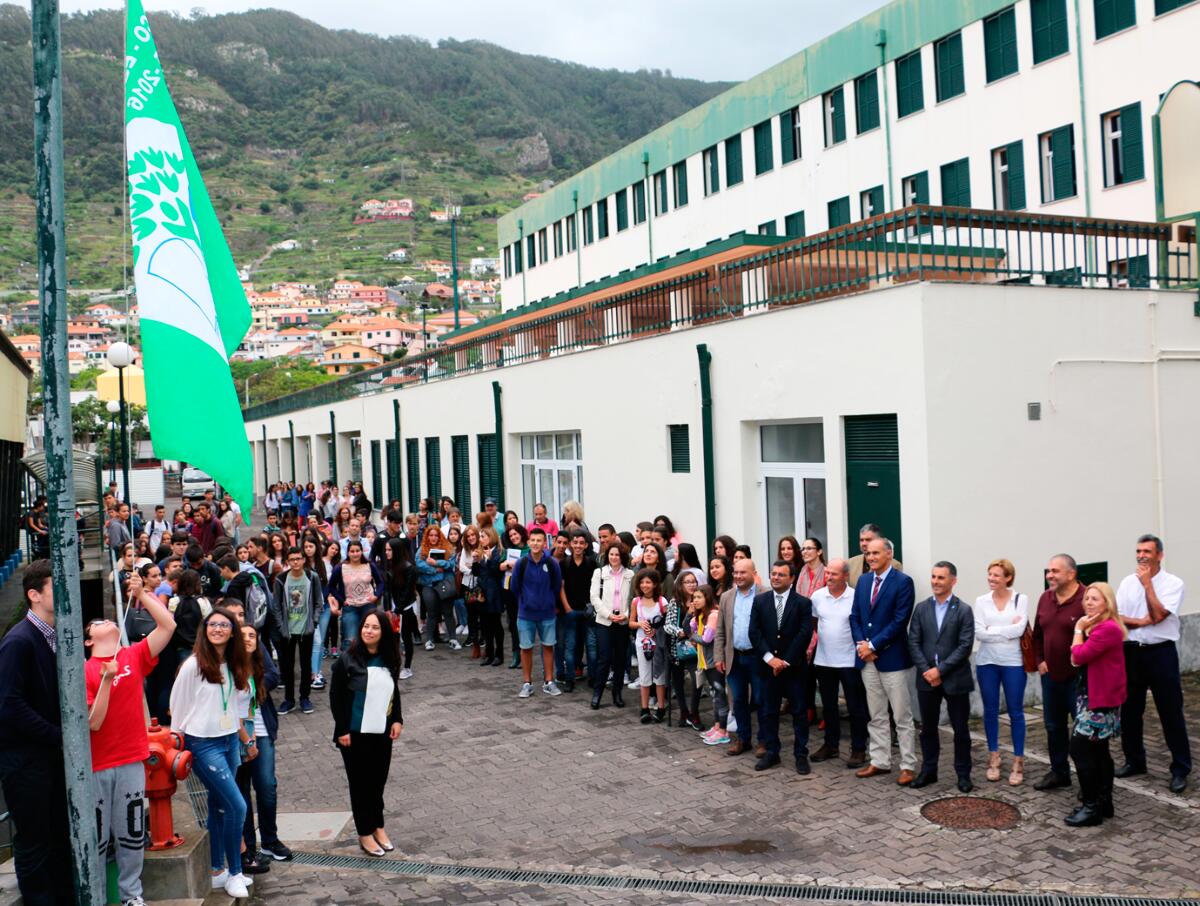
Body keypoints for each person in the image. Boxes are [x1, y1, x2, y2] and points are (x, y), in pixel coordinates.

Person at [86, 571, 176, 906]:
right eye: (97, 622)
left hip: (131, 759)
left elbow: (168, 626)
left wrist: (144, 594)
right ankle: (95, 896)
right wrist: (107, 681)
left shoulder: (132, 655)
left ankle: (131, 896)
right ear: (88, 640)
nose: (106, 620)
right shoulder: (83, 670)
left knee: (132, 833)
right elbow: (93, 723)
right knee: (96, 839)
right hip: (97, 765)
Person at [0, 561, 77, 905]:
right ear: (34, 595)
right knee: (34, 840)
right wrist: (57, 735)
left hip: (49, 755)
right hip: (25, 759)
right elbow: (9, 704)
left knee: (59, 833)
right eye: (54, 587)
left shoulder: (55, 635)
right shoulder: (19, 641)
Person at [169, 607, 254, 898]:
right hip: (203, 743)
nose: (217, 628)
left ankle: (217, 869)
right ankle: (235, 872)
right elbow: (177, 707)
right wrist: (177, 740)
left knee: (219, 805)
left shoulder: (234, 662)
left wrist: (244, 738)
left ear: (232, 631)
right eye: (212, 624)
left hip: (230, 739)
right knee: (237, 806)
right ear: (205, 629)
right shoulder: (192, 665)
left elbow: (238, 702)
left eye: (224, 625)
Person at [1114, 534, 1191, 794]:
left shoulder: (1173, 583)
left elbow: (1159, 615)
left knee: (1170, 712)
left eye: (1147, 551)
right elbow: (1118, 617)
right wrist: (1143, 621)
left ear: (1160, 555)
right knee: (1130, 712)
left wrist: (1148, 585)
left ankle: (1180, 768)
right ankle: (1134, 761)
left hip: (1161, 653)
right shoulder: (1126, 582)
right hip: (1131, 651)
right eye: (1138, 551)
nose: (1141, 556)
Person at [330, 609, 404, 857]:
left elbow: (394, 691)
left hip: (381, 732)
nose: (368, 631)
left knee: (377, 782)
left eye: (374, 627)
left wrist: (397, 719)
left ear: (383, 632)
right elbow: (336, 696)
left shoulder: (390, 658)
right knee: (360, 784)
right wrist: (342, 729)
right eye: (365, 627)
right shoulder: (347, 660)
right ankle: (364, 833)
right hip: (353, 733)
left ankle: (378, 826)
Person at [850, 537, 917, 785]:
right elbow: (854, 616)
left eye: (876, 553)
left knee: (901, 716)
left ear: (889, 554)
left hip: (892, 659)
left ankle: (908, 765)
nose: (871, 558)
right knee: (876, 714)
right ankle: (880, 761)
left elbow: (900, 621)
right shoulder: (864, 581)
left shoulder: (903, 582)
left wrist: (874, 645)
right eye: (868, 554)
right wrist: (861, 645)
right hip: (867, 660)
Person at [907, 561, 975, 792]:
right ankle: (929, 771)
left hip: (955, 679)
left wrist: (940, 670)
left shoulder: (964, 610)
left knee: (961, 730)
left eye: (941, 578)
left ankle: (963, 774)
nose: (935, 581)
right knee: (927, 728)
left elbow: (965, 646)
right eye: (934, 577)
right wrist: (928, 670)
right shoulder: (922, 608)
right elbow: (913, 641)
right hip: (926, 679)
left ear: (953, 581)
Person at [1066, 583, 1128, 826]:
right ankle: (1103, 802)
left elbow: (1077, 656)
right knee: (1098, 750)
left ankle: (1091, 806)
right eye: (1087, 598)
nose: (1088, 603)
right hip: (1092, 697)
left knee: (1080, 749)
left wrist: (1078, 628)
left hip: (1100, 701)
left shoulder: (1106, 629)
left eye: (1095, 599)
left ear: (1107, 603)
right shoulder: (1099, 627)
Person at [747, 560, 814, 774]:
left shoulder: (803, 603)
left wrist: (785, 661)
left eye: (781, 574)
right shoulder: (760, 601)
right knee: (768, 711)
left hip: (794, 668)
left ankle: (801, 755)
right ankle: (771, 752)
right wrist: (770, 659)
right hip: (767, 667)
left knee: (799, 712)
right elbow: (754, 632)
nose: (775, 577)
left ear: (792, 578)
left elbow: (804, 634)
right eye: (773, 573)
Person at [235, 620, 292, 869]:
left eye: (252, 635)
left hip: (262, 730)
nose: (248, 638)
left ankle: (270, 839)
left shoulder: (260, 663)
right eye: (243, 635)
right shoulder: (226, 666)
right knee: (242, 791)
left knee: (267, 786)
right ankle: (249, 846)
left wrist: (255, 685)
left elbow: (273, 676)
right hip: (235, 735)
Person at [1032, 553, 1086, 791]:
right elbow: (1037, 635)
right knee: (1053, 727)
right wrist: (1040, 660)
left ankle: (1088, 779)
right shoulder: (1045, 598)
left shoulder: (1087, 598)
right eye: (1048, 571)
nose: (1049, 575)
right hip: (1051, 678)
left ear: (1071, 574)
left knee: (1082, 732)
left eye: (1055, 571)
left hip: (1079, 680)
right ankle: (1059, 772)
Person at [974, 558, 1029, 785]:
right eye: (990, 574)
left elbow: (1020, 628)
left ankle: (1018, 760)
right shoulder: (981, 601)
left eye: (996, 575)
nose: (991, 579)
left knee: (1016, 711)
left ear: (1008, 578)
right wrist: (1006, 630)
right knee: (990, 710)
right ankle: (993, 756)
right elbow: (979, 633)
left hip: (1013, 662)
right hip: (987, 662)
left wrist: (993, 629)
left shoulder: (1020, 599)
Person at [810, 558, 868, 767]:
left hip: (849, 661)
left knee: (855, 707)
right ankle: (830, 745)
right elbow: (815, 622)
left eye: (834, 574)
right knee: (828, 706)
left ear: (845, 576)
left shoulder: (855, 597)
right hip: (824, 660)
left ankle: (859, 749)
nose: (829, 577)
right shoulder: (817, 597)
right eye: (827, 573)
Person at [714, 558, 768, 757]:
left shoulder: (766, 594)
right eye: (735, 573)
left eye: (742, 573)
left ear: (754, 573)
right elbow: (720, 630)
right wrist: (719, 656)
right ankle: (743, 739)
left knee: (762, 699)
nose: (738, 576)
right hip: (734, 657)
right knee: (738, 700)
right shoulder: (727, 597)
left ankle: (764, 741)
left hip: (758, 657)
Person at [269, 546, 322, 716]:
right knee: (287, 665)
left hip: (306, 628)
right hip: (287, 629)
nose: (296, 562)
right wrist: (280, 625)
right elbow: (276, 604)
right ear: (287, 562)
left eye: (298, 558)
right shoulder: (281, 579)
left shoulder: (312, 577)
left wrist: (313, 622)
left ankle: (305, 697)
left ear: (303, 559)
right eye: (292, 559)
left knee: (306, 665)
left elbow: (318, 602)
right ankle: (289, 699)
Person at [511, 526, 563, 698]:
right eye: (532, 540)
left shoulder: (551, 563)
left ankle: (549, 681)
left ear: (544, 543)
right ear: (528, 542)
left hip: (547, 613)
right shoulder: (521, 563)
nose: (535, 543)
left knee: (548, 646)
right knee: (526, 648)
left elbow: (556, 586)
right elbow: (515, 587)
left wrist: (548, 601)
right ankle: (527, 683)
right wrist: (525, 602)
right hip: (526, 614)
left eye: (539, 540)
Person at [589, 539, 633, 709]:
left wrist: (627, 615)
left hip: (622, 621)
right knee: (604, 658)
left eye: (617, 554)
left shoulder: (630, 574)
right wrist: (608, 614)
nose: (614, 557)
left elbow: (633, 600)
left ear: (623, 556)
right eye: (611, 554)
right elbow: (594, 597)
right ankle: (597, 694)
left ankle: (617, 693)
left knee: (620, 659)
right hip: (604, 622)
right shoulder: (599, 573)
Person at [557, 528, 597, 691]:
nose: (578, 545)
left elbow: (596, 588)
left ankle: (593, 678)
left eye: (581, 543)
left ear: (586, 544)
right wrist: (567, 608)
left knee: (592, 648)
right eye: (575, 542)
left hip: (588, 611)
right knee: (570, 647)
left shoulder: (592, 563)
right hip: (571, 611)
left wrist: (593, 607)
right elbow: (561, 587)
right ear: (570, 545)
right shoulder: (564, 563)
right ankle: (570, 679)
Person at [690, 585, 729, 744]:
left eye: (699, 597)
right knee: (715, 696)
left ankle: (723, 731)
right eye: (694, 598)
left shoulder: (713, 615)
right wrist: (692, 616)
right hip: (705, 663)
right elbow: (691, 627)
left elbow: (706, 640)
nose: (696, 601)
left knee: (720, 696)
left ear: (707, 598)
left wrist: (692, 636)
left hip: (715, 663)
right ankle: (717, 725)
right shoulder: (701, 616)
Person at [328, 539, 385, 648]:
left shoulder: (369, 565)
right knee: (350, 640)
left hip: (368, 606)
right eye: (352, 551)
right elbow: (331, 586)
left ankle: (368, 663)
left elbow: (380, 582)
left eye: (357, 551)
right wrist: (341, 600)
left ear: (362, 551)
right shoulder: (340, 567)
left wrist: (376, 595)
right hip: (350, 607)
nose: (355, 554)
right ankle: (350, 663)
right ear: (348, 553)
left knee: (369, 638)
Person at [631, 567, 669, 724]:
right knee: (645, 676)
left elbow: (667, 621)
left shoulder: (662, 602)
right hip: (642, 643)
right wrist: (640, 624)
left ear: (655, 584)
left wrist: (657, 627)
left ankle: (661, 707)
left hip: (659, 644)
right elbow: (630, 622)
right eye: (642, 582)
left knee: (659, 675)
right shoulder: (636, 602)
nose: (645, 585)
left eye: (648, 582)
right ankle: (644, 708)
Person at [665, 571, 702, 727]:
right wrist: (679, 631)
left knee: (697, 682)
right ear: (680, 584)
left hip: (696, 648)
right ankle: (684, 712)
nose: (691, 584)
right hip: (678, 648)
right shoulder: (675, 602)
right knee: (678, 682)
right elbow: (668, 625)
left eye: (693, 581)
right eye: (687, 582)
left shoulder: (700, 600)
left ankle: (694, 712)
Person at [415, 525, 460, 650]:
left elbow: (451, 564)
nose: (433, 538)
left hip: (444, 583)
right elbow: (418, 564)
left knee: (448, 612)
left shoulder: (447, 547)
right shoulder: (422, 549)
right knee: (432, 612)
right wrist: (434, 570)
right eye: (431, 535)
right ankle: (429, 640)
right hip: (428, 585)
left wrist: (437, 563)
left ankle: (453, 638)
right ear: (427, 536)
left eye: (436, 535)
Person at [500, 523, 529, 668]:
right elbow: (500, 566)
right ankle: (515, 653)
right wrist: (506, 564)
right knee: (512, 623)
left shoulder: (529, 549)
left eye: (515, 534)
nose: (513, 537)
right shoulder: (508, 550)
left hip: (525, 591)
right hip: (509, 589)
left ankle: (524, 654)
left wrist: (516, 564)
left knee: (523, 623)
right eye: (511, 535)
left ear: (521, 533)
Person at [476, 528, 505, 667]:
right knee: (485, 625)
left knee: (496, 624)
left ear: (491, 537)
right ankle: (489, 653)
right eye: (480, 536)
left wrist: (489, 559)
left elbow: (497, 573)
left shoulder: (498, 552)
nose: (480, 539)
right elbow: (476, 572)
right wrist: (476, 560)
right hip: (483, 592)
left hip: (494, 593)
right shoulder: (481, 552)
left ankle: (499, 654)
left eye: (483, 536)